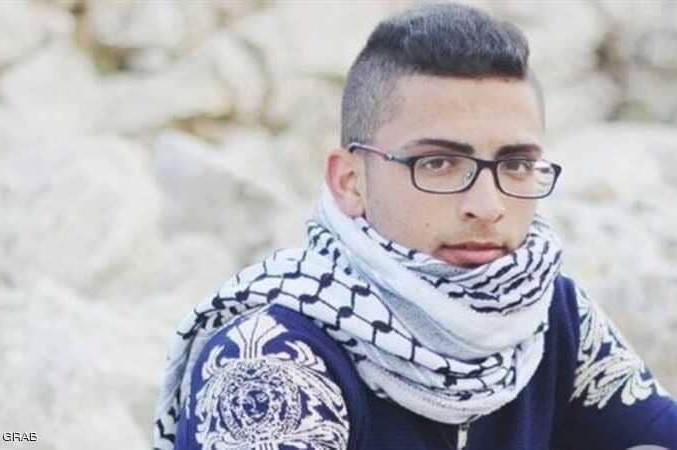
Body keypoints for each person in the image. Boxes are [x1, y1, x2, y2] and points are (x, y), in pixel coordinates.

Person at [153, 3, 677, 449]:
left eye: (516, 164)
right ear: (350, 181)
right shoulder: (270, 362)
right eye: (438, 163)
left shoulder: (547, 311)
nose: (487, 205)